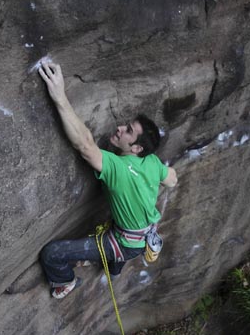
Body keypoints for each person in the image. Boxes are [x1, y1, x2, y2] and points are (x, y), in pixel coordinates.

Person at [38, 60, 178, 299]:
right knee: (120, 255)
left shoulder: (118, 168)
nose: (120, 128)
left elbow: (85, 145)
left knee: (51, 253)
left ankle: (65, 283)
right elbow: (172, 179)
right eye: (127, 125)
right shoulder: (153, 162)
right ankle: (113, 271)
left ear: (135, 149)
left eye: (128, 132)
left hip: (123, 242)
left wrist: (59, 97)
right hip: (144, 237)